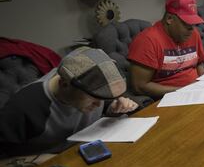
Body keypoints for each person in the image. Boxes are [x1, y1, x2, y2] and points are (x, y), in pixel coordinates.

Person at [0, 47, 138, 159]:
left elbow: (102, 102)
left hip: (86, 153)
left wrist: (113, 107)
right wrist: (42, 159)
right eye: (94, 98)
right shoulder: (23, 107)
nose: (98, 104)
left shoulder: (86, 86)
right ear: (64, 84)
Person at [128, 0, 204, 99]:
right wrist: (183, 91)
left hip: (198, 92)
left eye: (193, 24)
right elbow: (140, 86)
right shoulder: (147, 40)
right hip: (167, 98)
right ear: (169, 19)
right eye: (187, 23)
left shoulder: (193, 33)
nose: (191, 29)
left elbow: (199, 63)